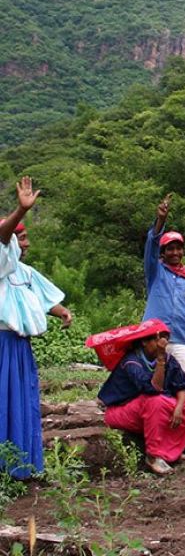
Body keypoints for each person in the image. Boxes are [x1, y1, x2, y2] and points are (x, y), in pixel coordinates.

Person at [0, 177, 73, 477]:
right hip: (1, 344)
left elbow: (43, 299)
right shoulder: (1, 264)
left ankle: (20, 466)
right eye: (22, 237)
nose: (26, 243)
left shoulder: (25, 273)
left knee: (21, 403)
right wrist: (20, 211)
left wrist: (62, 312)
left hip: (19, 348)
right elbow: (2, 237)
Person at [92, 319, 185, 475]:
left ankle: (172, 451)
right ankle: (153, 455)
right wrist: (161, 359)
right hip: (121, 411)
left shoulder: (169, 359)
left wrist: (179, 408)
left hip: (152, 406)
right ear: (144, 341)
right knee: (155, 401)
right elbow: (153, 389)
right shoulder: (131, 362)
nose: (163, 343)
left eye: (165, 338)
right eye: (158, 338)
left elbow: (182, 385)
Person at [142, 196, 185, 378]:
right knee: (151, 384)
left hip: (182, 340)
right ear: (163, 252)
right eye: (170, 248)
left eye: (178, 248)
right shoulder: (156, 271)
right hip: (154, 338)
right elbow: (151, 243)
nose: (175, 252)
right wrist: (161, 220)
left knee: (182, 386)